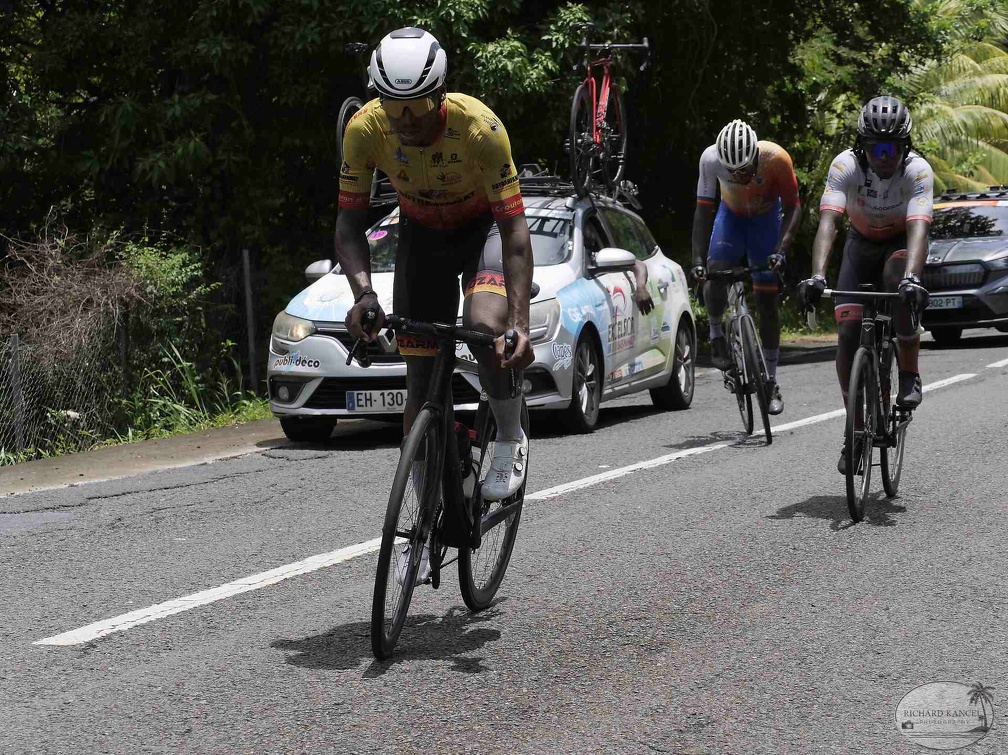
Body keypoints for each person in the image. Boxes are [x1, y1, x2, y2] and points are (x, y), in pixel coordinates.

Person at [335, 27, 534, 507]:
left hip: (483, 230)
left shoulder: (480, 129)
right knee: (420, 384)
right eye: (391, 104)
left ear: (440, 94)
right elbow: (348, 227)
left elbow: (514, 231)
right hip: (424, 235)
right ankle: (423, 521)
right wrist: (363, 294)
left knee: (485, 325)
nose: (404, 120)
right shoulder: (364, 129)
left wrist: (521, 324)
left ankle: (509, 436)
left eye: (417, 107)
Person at [797, 95, 932, 474]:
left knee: (898, 280)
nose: (885, 156)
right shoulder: (845, 166)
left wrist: (912, 279)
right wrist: (818, 276)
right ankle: (855, 430)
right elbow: (829, 223)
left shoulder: (917, 171)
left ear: (905, 147)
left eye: (893, 148)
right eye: (877, 148)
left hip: (900, 246)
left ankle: (908, 373)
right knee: (847, 333)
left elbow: (919, 226)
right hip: (859, 245)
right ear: (863, 146)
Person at [691, 120, 801, 415]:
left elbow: (794, 207)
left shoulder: (776, 158)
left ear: (755, 154)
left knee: (767, 302)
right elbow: (703, 210)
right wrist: (697, 261)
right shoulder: (710, 159)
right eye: (732, 172)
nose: (739, 176)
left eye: (744, 169)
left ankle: (771, 382)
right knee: (714, 269)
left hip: (765, 222)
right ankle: (716, 335)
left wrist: (781, 250)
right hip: (732, 219)